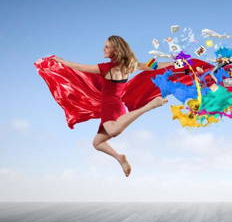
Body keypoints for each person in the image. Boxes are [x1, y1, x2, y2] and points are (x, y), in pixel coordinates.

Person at [52, 35, 173, 177]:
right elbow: (154, 65)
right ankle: (120, 157)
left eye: (107, 47)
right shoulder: (131, 65)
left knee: (114, 130)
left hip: (110, 105)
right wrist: (175, 63)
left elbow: (78, 67)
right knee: (97, 143)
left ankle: (150, 105)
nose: (103, 49)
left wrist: (60, 61)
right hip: (115, 105)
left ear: (116, 50)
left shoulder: (105, 67)